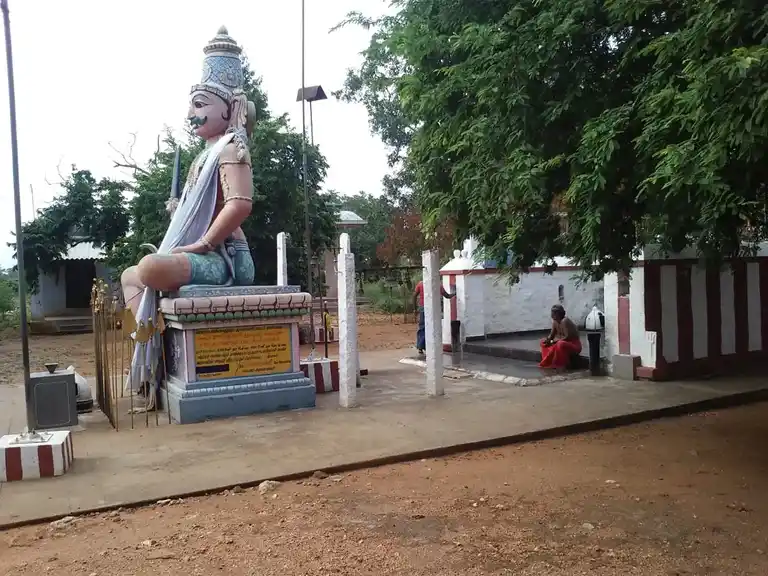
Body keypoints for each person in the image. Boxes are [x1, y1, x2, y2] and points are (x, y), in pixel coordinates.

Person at [413, 280, 456, 355]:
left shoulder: (420, 284)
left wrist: (415, 309)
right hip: (434, 308)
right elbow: (447, 295)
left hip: (423, 308)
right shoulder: (438, 285)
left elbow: (414, 295)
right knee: (434, 327)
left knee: (422, 327)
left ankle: (420, 347)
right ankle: (431, 346)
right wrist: (455, 294)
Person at [539, 304, 582, 370]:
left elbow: (567, 337)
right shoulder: (555, 322)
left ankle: (562, 365)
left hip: (574, 345)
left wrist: (554, 341)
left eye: (555, 312)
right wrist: (548, 340)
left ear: (560, 313)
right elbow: (551, 335)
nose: (553, 314)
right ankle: (548, 363)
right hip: (560, 342)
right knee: (542, 341)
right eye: (552, 312)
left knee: (560, 344)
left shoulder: (565, 321)